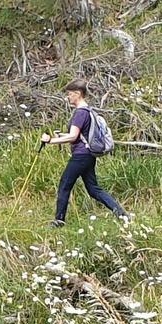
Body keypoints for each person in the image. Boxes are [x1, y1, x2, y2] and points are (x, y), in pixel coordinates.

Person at [41, 79, 127, 228]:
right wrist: (61, 136)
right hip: (89, 156)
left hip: (80, 156)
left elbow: (74, 136)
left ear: (78, 94)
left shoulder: (80, 113)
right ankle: (121, 213)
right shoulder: (89, 111)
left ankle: (58, 221)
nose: (68, 97)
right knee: (93, 189)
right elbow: (80, 135)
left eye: (69, 94)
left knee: (64, 185)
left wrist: (50, 140)